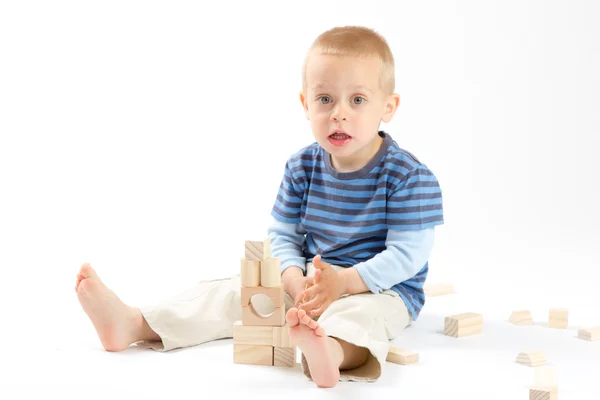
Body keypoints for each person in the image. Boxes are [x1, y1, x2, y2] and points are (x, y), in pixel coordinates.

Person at [75, 25, 444, 388]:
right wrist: (292, 279)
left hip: (380, 290)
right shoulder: (302, 166)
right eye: (325, 99)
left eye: (357, 100)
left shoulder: (408, 176)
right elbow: (283, 234)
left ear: (389, 106)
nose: (339, 113)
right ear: (306, 103)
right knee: (234, 294)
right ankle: (137, 324)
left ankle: (330, 353)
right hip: (309, 284)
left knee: (360, 317)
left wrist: (345, 283)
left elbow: (407, 254)